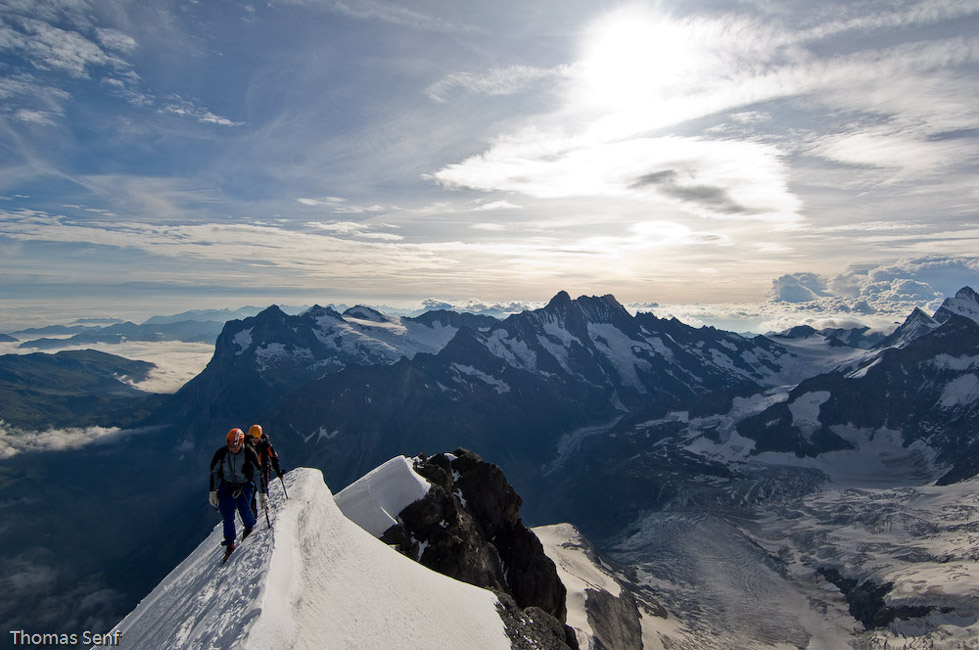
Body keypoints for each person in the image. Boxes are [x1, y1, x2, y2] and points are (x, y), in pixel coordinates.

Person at [209, 428, 268, 554]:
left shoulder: (249, 453)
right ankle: (230, 542)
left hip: (244, 485)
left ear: (241, 442)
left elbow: (258, 473)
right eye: (230, 445)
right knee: (227, 513)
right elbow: (214, 472)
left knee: (244, 509)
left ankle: (249, 526)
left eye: (235, 446)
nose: (232, 448)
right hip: (227, 485)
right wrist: (213, 491)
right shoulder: (222, 453)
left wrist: (262, 494)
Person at [245, 423, 283, 500]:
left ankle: (264, 503)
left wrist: (278, 470)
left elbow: (273, 458)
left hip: (264, 470)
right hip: (251, 470)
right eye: (253, 438)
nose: (254, 440)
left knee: (263, 489)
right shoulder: (247, 445)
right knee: (251, 491)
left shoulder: (266, 445)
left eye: (256, 438)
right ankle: (253, 505)